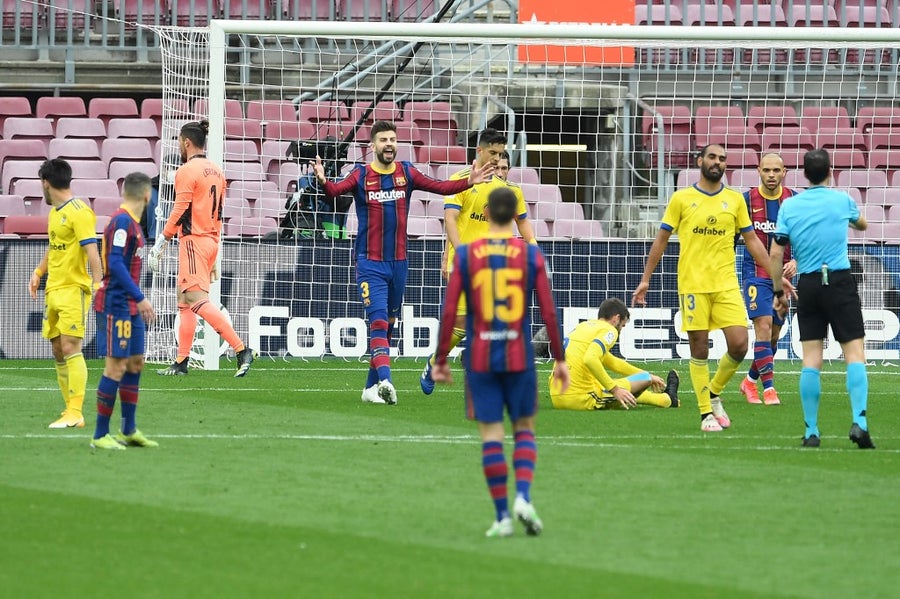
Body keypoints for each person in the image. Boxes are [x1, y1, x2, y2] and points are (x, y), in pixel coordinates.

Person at [312, 120, 494, 405]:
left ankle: (369, 389)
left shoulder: (406, 172)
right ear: (373, 145)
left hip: (399, 264)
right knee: (378, 321)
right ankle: (385, 380)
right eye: (383, 140)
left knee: (389, 324)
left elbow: (441, 186)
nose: (389, 145)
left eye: (392, 140)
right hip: (370, 263)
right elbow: (335, 191)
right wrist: (323, 181)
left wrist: (468, 181)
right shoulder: (361, 175)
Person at [431, 186, 569, 538]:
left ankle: (502, 517)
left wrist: (441, 358)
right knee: (524, 429)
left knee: (492, 436)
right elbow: (549, 310)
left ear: (488, 214)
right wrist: (560, 358)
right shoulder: (531, 255)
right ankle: (523, 495)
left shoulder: (466, 255)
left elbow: (450, 309)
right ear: (515, 216)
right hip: (519, 354)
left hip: (480, 357)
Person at [631, 144, 784, 433]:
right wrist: (646, 279)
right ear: (700, 161)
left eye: (722, 159)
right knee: (699, 349)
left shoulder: (734, 200)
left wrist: (776, 279)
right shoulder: (682, 198)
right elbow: (661, 239)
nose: (717, 162)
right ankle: (705, 414)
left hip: (726, 284)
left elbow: (753, 241)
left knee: (739, 344)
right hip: (693, 285)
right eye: (712, 157)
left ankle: (713, 392)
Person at [771, 149, 874, 449]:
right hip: (839, 281)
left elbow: (776, 254)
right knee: (854, 353)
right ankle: (860, 423)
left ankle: (811, 431)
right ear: (830, 172)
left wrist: (778, 291)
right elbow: (863, 224)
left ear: (804, 174)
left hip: (809, 284)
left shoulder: (790, 206)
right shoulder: (842, 200)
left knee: (811, 359)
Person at [420, 133, 537, 395]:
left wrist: (533, 245)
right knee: (461, 324)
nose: (496, 159)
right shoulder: (460, 180)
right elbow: (451, 220)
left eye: (500, 154)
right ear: (479, 151)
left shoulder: (510, 190)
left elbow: (522, 222)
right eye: (492, 153)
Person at [148, 120, 255, 377]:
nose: (178, 146)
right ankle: (181, 362)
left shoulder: (186, 171)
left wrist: (161, 242)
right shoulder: (216, 171)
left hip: (194, 241)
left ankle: (241, 349)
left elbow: (180, 210)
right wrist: (214, 252)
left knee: (196, 302)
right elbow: (219, 213)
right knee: (184, 301)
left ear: (186, 142)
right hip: (210, 240)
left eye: (178, 142)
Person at [28, 158, 103, 428]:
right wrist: (39, 272)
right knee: (58, 349)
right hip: (53, 288)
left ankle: (75, 411)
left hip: (74, 289)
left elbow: (92, 251)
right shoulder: (54, 213)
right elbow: (54, 246)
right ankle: (70, 410)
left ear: (46, 183)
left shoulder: (80, 212)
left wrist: (98, 285)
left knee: (71, 346)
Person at [91, 172, 159, 450]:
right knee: (116, 367)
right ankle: (99, 435)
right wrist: (140, 297)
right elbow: (116, 263)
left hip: (129, 305)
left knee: (135, 363)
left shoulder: (132, 224)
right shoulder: (122, 222)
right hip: (116, 304)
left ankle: (128, 430)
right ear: (147, 195)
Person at [739, 152, 798, 406]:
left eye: (776, 170)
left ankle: (749, 381)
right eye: (766, 170)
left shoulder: (794, 201)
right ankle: (769, 390)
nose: (771, 175)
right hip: (755, 274)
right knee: (762, 326)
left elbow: (805, 237)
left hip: (783, 279)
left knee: (773, 338)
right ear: (758, 171)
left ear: (784, 172)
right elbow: (731, 239)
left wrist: (797, 261)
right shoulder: (745, 201)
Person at [549, 298, 680, 410]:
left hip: (557, 396)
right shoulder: (610, 330)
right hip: (580, 398)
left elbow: (611, 362)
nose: (621, 329)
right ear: (616, 318)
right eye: (622, 325)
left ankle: (665, 399)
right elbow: (590, 359)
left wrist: (647, 374)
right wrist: (615, 389)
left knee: (636, 380)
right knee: (643, 379)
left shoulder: (583, 326)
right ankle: (668, 400)